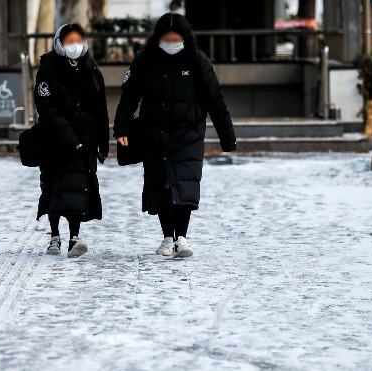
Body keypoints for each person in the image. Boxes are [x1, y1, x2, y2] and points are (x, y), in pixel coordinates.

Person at [113, 13, 237, 258]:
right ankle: (167, 238)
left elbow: (216, 102)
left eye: (175, 38)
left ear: (185, 38)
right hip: (154, 134)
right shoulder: (144, 61)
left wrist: (227, 138)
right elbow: (129, 97)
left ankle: (182, 237)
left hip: (187, 136)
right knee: (160, 186)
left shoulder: (198, 62)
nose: (171, 42)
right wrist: (121, 129)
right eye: (166, 38)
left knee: (184, 184)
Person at [34, 23, 110, 258]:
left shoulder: (91, 69)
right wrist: (69, 138)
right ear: (59, 42)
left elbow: (101, 108)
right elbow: (46, 109)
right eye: (69, 41)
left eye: (78, 40)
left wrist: (102, 143)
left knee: (79, 187)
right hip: (54, 141)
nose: (74, 45)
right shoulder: (47, 69)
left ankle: (74, 236)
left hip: (84, 142)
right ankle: (55, 235)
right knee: (54, 187)